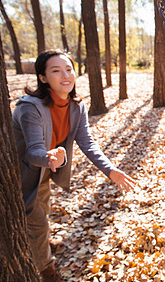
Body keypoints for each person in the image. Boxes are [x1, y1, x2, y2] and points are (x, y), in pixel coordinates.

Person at [12, 49, 135, 281]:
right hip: (24, 173)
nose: (65, 75)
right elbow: (32, 151)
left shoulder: (76, 106)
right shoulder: (30, 107)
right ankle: (46, 270)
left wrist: (110, 170)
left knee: (43, 208)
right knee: (36, 219)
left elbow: (87, 143)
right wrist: (49, 157)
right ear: (43, 77)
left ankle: (43, 243)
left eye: (69, 69)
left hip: (46, 170)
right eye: (56, 71)